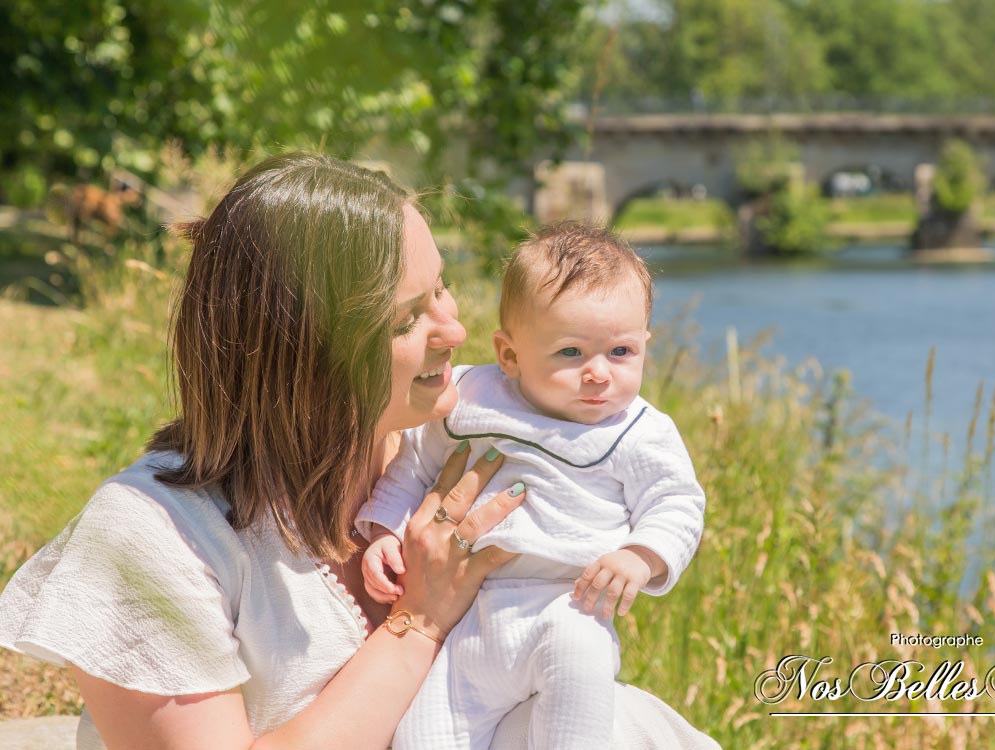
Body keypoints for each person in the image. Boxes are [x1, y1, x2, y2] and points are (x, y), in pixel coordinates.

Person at [0, 153, 719, 750]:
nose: (454, 329)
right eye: (411, 315)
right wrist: (420, 621)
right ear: (306, 351)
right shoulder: (146, 539)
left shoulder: (447, 448)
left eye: (442, 288)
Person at [356, 224, 705, 749]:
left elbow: (676, 503)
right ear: (510, 355)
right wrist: (386, 527)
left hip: (567, 607)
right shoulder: (473, 397)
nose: (598, 374)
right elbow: (416, 465)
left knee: (579, 699)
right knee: (424, 732)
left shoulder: (639, 430)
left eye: (622, 352)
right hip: (468, 620)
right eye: (571, 353)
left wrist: (642, 554)